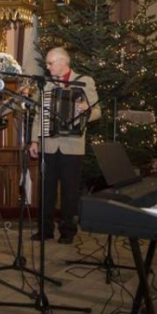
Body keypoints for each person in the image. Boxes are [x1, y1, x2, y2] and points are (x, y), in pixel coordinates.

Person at [30, 47, 100, 244]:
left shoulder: (84, 81)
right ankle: (45, 230)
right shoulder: (46, 84)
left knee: (70, 191)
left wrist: (87, 110)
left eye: (51, 63)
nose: (48, 67)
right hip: (49, 145)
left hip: (72, 146)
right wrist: (35, 140)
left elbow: (98, 111)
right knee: (46, 190)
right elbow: (39, 114)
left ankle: (68, 231)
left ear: (63, 62)